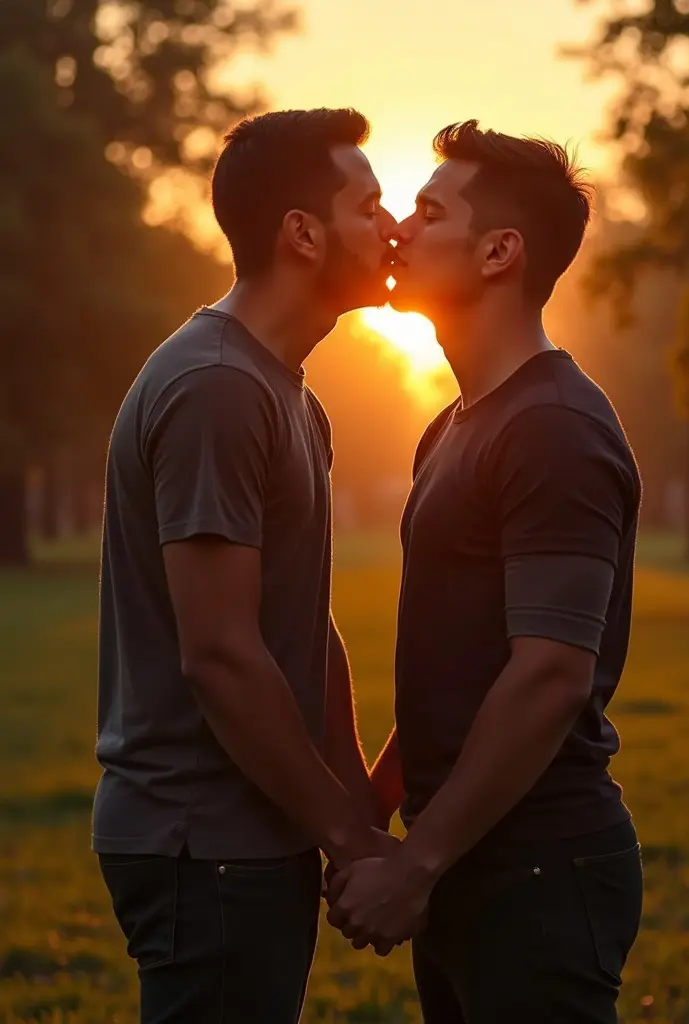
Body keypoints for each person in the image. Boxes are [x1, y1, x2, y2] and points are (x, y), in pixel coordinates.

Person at [326, 121, 644, 1023]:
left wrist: (416, 862)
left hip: (539, 868)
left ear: (501, 252)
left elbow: (548, 673)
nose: (398, 230)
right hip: (468, 856)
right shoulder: (458, 423)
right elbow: (459, 670)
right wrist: (374, 819)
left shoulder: (553, 428)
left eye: (429, 213)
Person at [93, 107, 398, 1024]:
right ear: (302, 233)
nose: (393, 228)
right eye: (370, 205)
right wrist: (347, 841)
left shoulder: (285, 391)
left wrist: (358, 820)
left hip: (248, 834)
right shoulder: (218, 390)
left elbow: (303, 627)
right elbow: (221, 655)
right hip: (203, 842)